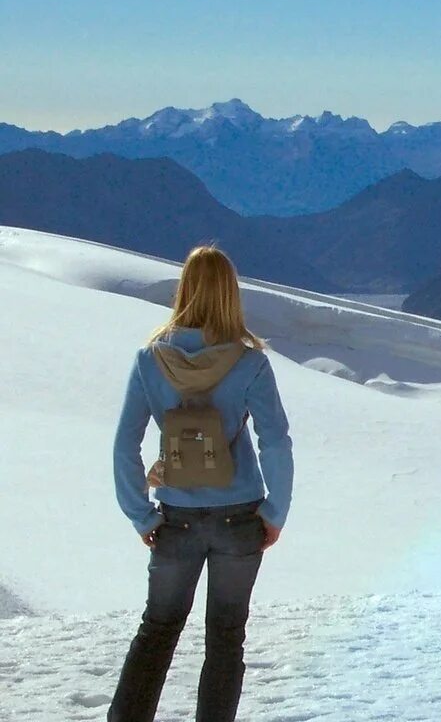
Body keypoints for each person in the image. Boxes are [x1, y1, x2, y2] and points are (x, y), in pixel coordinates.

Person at [108, 244, 294, 722]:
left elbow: (125, 445)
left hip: (176, 520)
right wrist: (275, 512)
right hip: (240, 518)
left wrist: (140, 514)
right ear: (231, 294)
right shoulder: (251, 362)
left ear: (184, 289)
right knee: (227, 638)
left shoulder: (151, 360)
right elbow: (275, 442)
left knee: (157, 631)